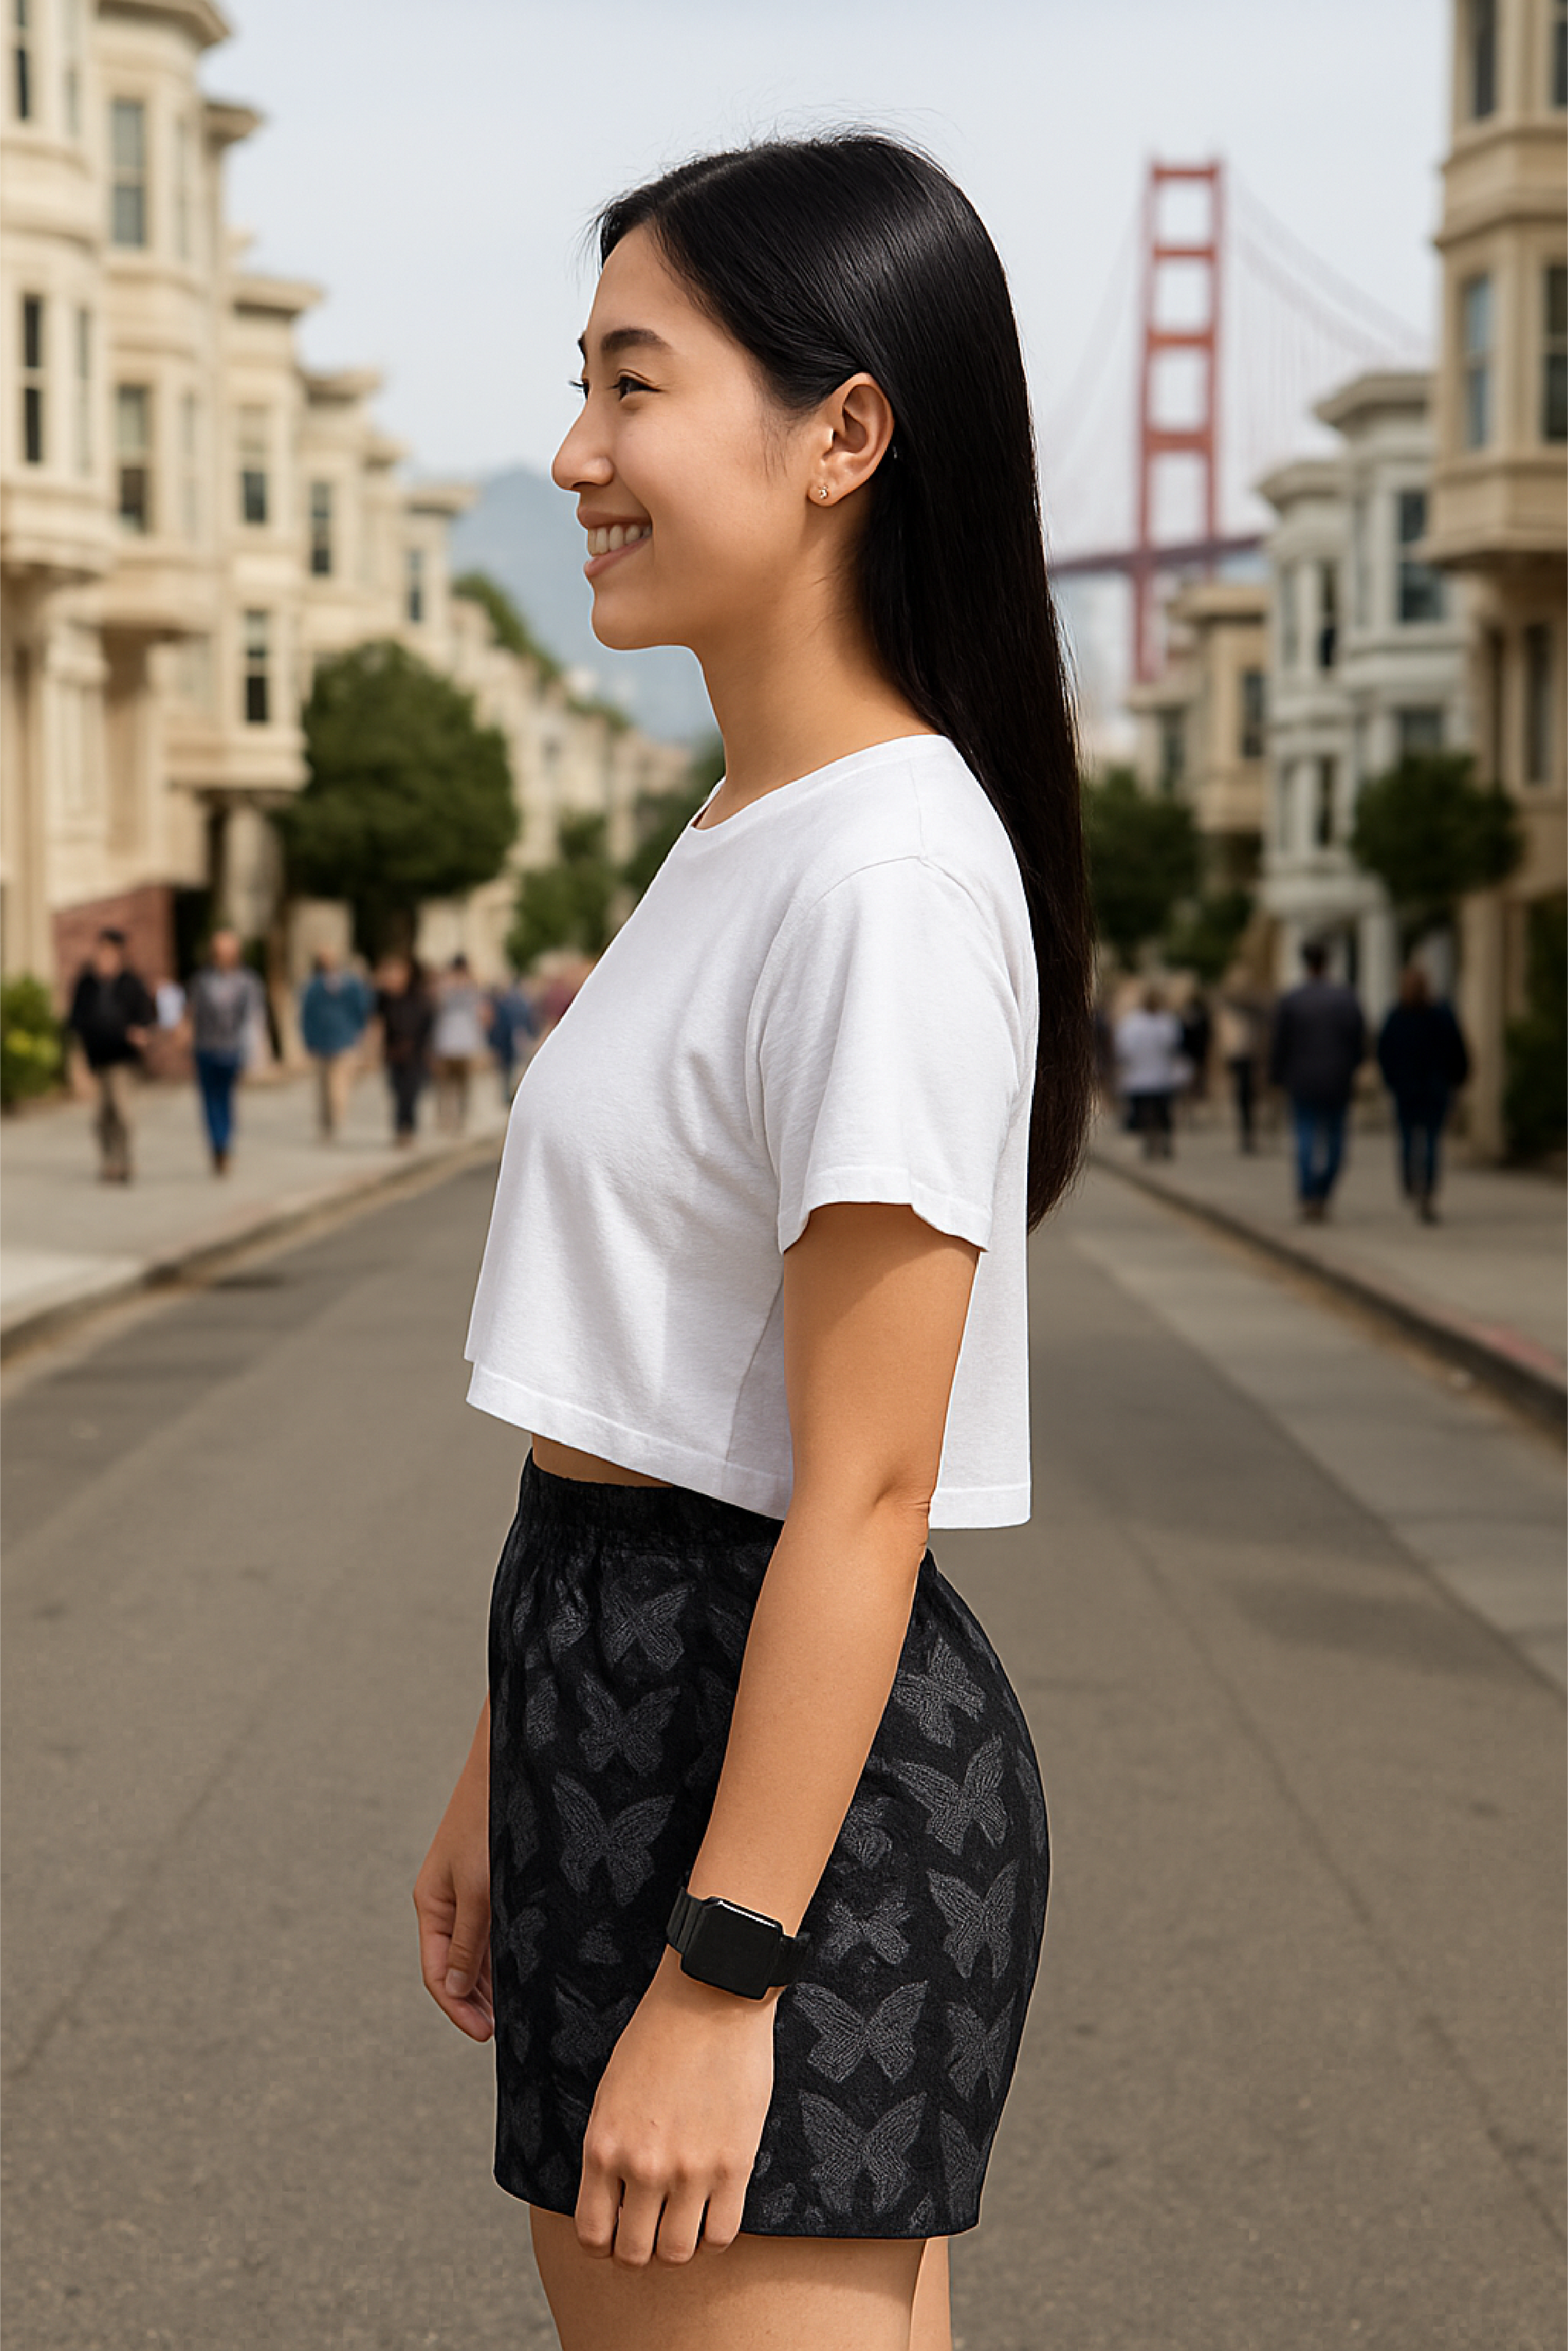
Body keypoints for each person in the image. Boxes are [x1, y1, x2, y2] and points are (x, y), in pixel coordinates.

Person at [411, 136, 1093, 2351]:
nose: (573, 451)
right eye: (579, 383)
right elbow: (659, 1361)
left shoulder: (881, 874)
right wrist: (506, 1750)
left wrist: (726, 1969)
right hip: (626, 1700)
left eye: (633, 383)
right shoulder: (748, 825)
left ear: (844, 434)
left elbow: (864, 1485)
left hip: (774, 1799)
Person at [1269, 940, 1367, 1221]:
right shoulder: (1346, 998)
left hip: (1302, 1079)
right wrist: (1354, 1067)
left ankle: (1309, 1193)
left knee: (1306, 1139)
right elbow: (1358, 1041)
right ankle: (1321, 1191)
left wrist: (1276, 1077)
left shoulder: (1292, 1000)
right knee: (1336, 1143)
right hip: (1337, 1079)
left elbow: (1280, 1044)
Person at [1377, 967, 1470, 1223]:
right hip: (1434, 1088)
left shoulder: (1397, 1015)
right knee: (1430, 1140)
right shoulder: (1441, 1014)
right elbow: (1457, 1048)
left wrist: (1391, 1079)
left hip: (1407, 1088)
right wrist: (1459, 1077)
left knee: (1408, 1139)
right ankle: (1426, 1188)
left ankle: (1411, 1182)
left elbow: (1384, 1051)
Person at [66, 927, 155, 1183]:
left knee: (122, 1109)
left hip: (123, 1057)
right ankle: (108, 1161)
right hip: (97, 1056)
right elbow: (76, 1020)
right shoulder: (87, 984)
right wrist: (77, 1060)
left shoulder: (131, 983)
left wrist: (140, 1032)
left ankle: (125, 1159)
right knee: (102, 1115)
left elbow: (146, 1015)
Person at [187, 929, 265, 1175]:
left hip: (231, 1049)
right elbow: (192, 1012)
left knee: (226, 1098)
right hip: (205, 1048)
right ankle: (217, 1146)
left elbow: (253, 1020)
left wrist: (255, 1056)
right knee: (209, 1101)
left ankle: (225, 1143)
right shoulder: (202, 980)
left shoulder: (247, 982)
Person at [299, 946, 372, 1141]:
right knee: (323, 1087)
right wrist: (308, 1039)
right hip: (321, 1042)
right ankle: (325, 1124)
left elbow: (362, 1009)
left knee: (337, 1085)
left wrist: (359, 1032)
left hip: (344, 1040)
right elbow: (306, 1015)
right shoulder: (313, 987)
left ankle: (336, 1120)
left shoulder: (351, 984)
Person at [1114, 985, 1185, 1159]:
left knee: (1153, 1114)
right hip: (1155, 1077)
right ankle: (1157, 1143)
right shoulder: (1165, 1022)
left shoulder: (1136, 1023)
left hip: (1146, 1078)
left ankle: (1154, 1144)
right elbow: (1174, 1047)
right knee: (1157, 1114)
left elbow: (1123, 1050)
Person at [376, 954, 434, 1146]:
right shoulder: (385, 998)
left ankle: (407, 1128)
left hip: (415, 1053)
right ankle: (399, 1127)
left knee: (410, 1091)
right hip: (394, 1053)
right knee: (397, 1090)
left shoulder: (418, 997)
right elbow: (377, 1022)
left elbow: (427, 1023)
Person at [431, 953, 488, 1134]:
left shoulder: (472, 990)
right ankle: (446, 1118)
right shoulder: (447, 989)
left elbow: (481, 1017)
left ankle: (457, 1119)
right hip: (449, 1043)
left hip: (461, 1043)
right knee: (446, 1086)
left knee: (460, 1086)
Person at [1216, 976, 1267, 1154]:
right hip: (1239, 1058)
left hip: (1250, 1058)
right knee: (1243, 1098)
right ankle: (1247, 1134)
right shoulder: (1232, 1013)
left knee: (1249, 1098)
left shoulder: (1255, 1013)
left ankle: (1250, 1133)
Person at [487, 971, 539, 1104]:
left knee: (514, 1068)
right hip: (511, 1039)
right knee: (511, 1068)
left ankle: (513, 1093)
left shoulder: (512, 1002)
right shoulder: (512, 1002)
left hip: (515, 1037)